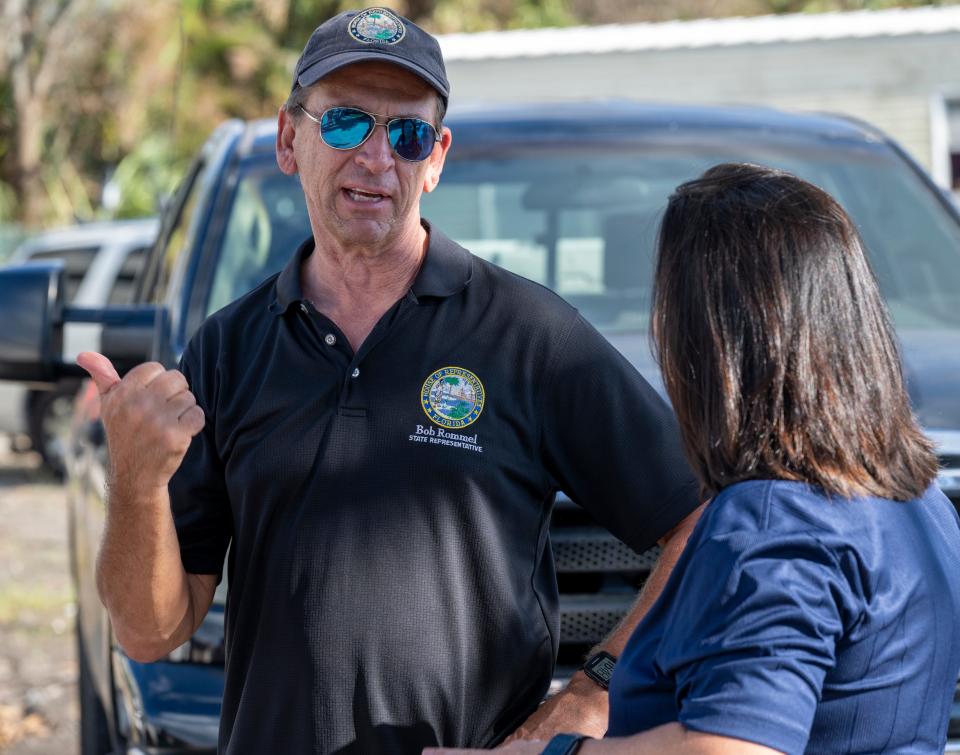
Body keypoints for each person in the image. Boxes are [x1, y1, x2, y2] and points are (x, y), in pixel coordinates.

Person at [75, 8, 703, 755]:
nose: (377, 157)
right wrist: (137, 483)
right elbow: (149, 634)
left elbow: (700, 525)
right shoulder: (227, 351)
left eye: (405, 134)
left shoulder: (530, 335)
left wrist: (595, 687)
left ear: (434, 160)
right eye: (345, 124)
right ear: (289, 139)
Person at [429, 163, 960, 755]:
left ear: (710, 335)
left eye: (668, 300)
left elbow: (731, 748)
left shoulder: (772, 521)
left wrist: (556, 752)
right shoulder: (919, 501)